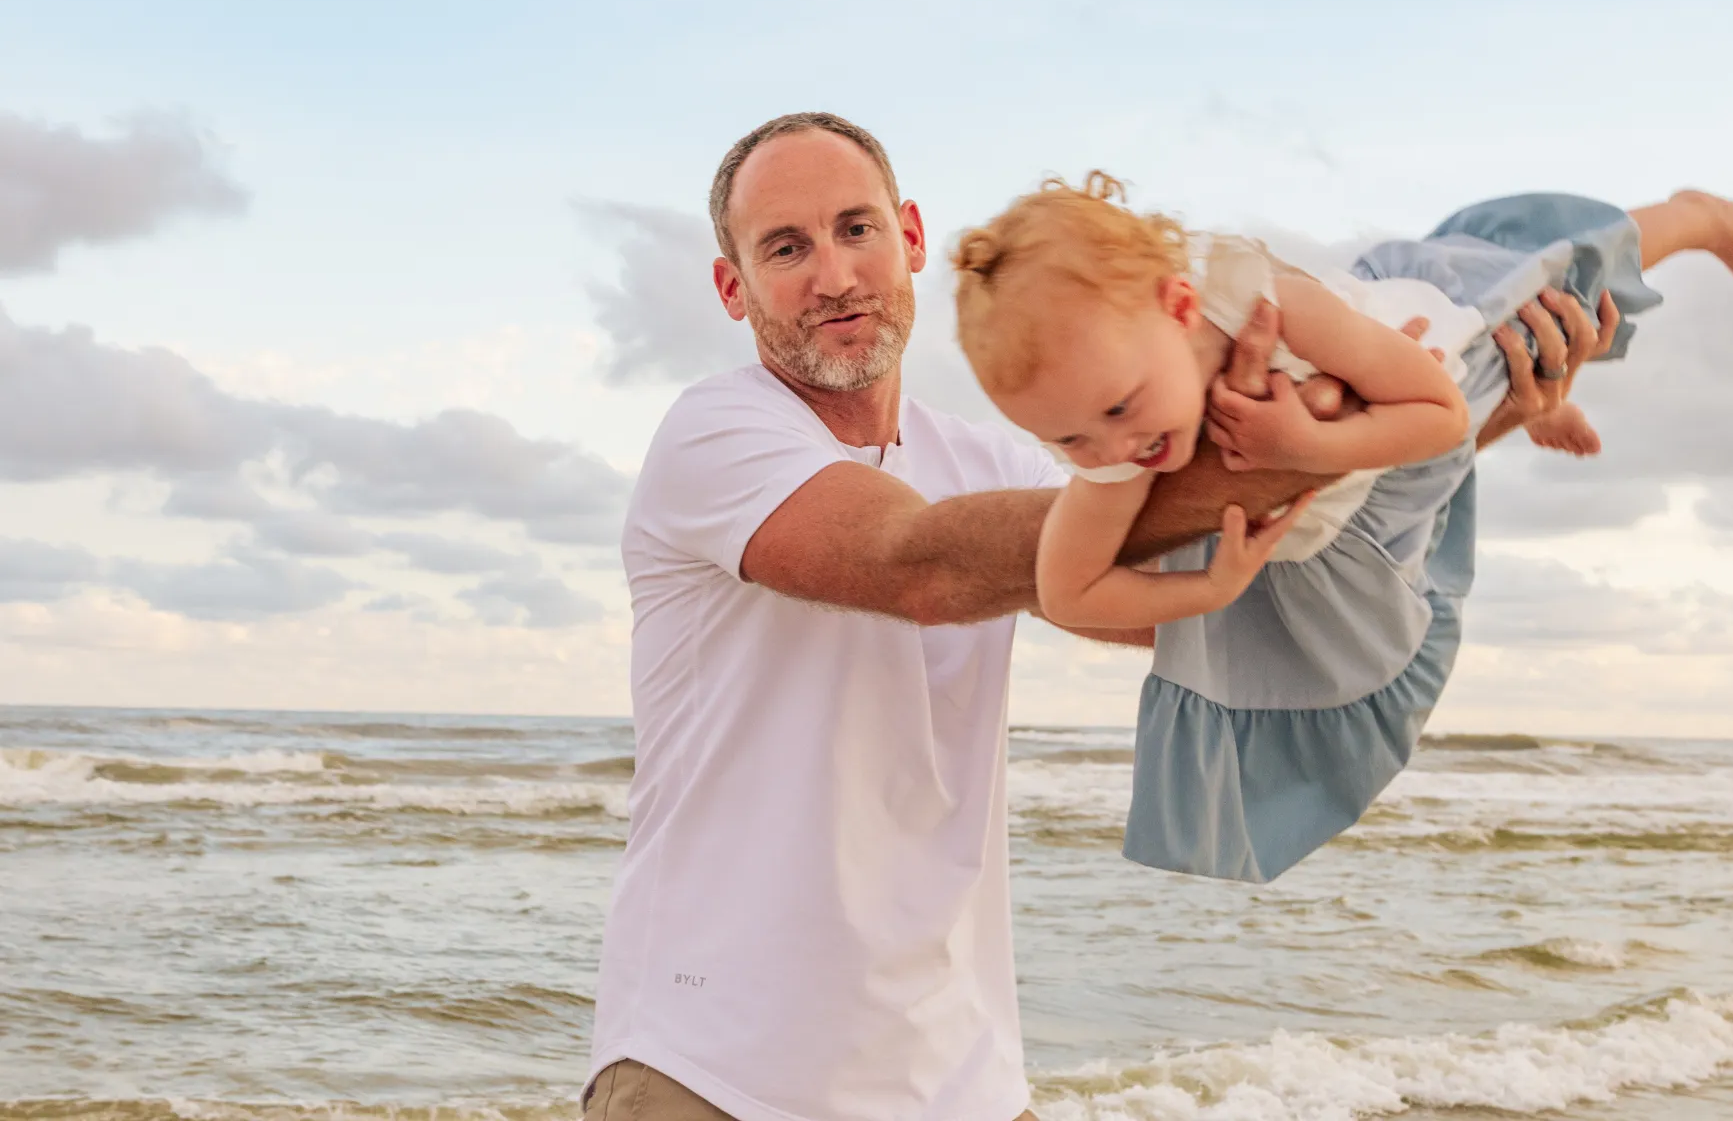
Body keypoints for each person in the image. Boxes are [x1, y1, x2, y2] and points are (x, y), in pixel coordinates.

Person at [582, 111, 1605, 1121]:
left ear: (909, 238)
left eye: (856, 230)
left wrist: (1450, 417)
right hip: (709, 1073)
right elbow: (919, 566)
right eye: (786, 247)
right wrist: (1332, 438)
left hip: (955, 1080)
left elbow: (1211, 599)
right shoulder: (715, 436)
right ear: (733, 286)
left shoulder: (1006, 464)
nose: (835, 274)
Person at [950, 175, 1733, 882]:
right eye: (1063, 439)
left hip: (1421, 356)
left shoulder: (1260, 303)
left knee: (1556, 277)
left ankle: (1697, 218)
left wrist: (1302, 445)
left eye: (1118, 411)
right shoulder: (1104, 419)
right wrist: (1211, 586)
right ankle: (1541, 405)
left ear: (1178, 308)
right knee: (1411, 530)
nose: (1112, 450)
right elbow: (1065, 588)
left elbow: (1433, 416)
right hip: (1359, 494)